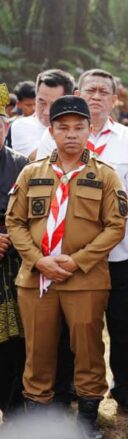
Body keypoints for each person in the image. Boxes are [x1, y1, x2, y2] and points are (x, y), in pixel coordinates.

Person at [6, 95, 127, 439]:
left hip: (85, 279)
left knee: (88, 350)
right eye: (63, 127)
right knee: (38, 351)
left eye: (78, 127)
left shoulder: (105, 175)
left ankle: (87, 420)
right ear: (51, 130)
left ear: (89, 129)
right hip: (36, 278)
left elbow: (115, 227)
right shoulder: (31, 172)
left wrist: (77, 261)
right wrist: (38, 260)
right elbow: (15, 222)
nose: (71, 134)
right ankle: (39, 421)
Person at [35, 69, 128, 417]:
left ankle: (126, 388)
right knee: (72, 328)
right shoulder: (51, 137)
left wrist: (103, 227)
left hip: (119, 253)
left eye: (103, 91)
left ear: (114, 99)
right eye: (90, 90)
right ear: (78, 93)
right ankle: (67, 388)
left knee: (124, 326)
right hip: (68, 256)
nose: (96, 96)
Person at [0, 84, 29, 419]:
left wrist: (8, 237)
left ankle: (14, 405)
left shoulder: (22, 165)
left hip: (13, 261)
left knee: (15, 341)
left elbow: (31, 214)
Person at [9, 70, 74, 157]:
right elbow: (39, 159)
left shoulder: (82, 126)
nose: (46, 112)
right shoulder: (21, 125)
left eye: (54, 105)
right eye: (41, 102)